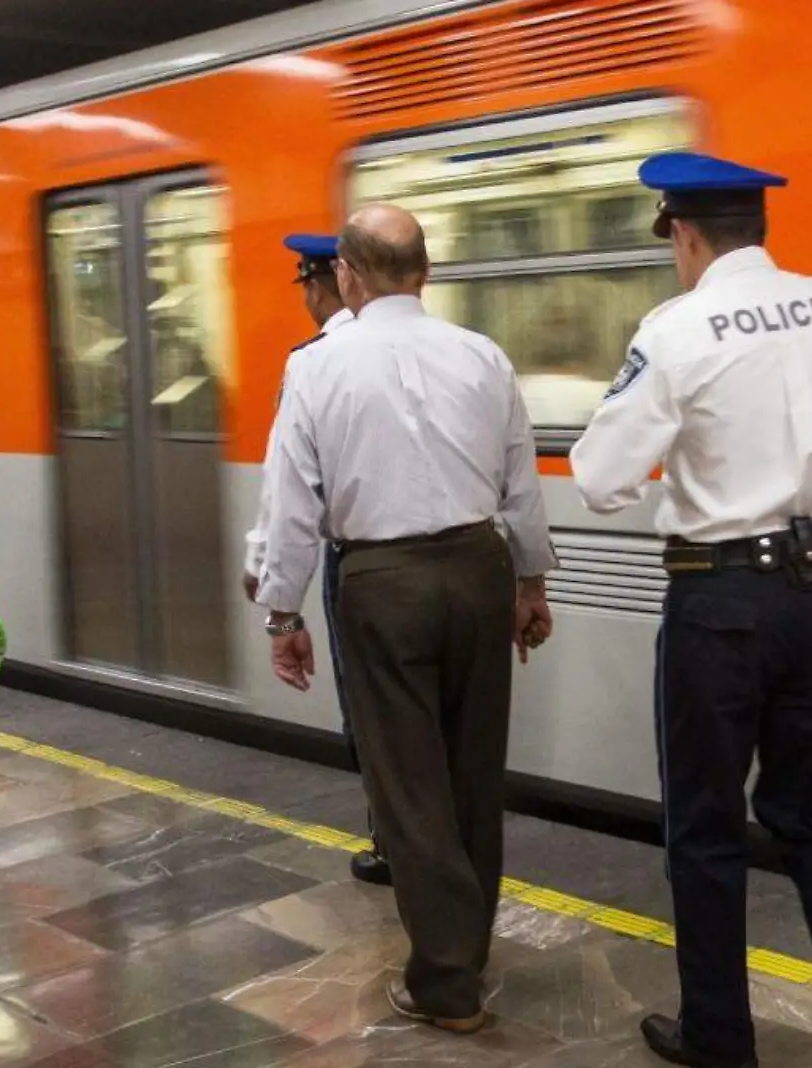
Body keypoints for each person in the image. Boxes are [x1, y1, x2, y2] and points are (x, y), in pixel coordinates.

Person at [569, 151, 812, 1068]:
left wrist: (678, 478)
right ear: (756, 230)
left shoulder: (677, 327)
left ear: (684, 235)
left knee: (708, 824)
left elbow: (600, 477)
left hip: (722, 607)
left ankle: (720, 1037)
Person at [255, 203, 558, 1033]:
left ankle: (447, 982)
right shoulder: (482, 356)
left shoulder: (317, 366)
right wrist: (531, 584)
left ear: (346, 277)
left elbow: (290, 501)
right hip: (478, 566)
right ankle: (469, 948)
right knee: (471, 775)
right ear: (425, 272)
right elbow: (520, 485)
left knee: (409, 788)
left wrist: (284, 610)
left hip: (382, 584)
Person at [243, 233, 390, 888]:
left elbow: (289, 483)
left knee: (370, 711)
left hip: (358, 561)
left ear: (322, 283)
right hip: (454, 555)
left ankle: (392, 841)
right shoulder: (448, 348)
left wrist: (273, 583)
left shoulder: (316, 361)